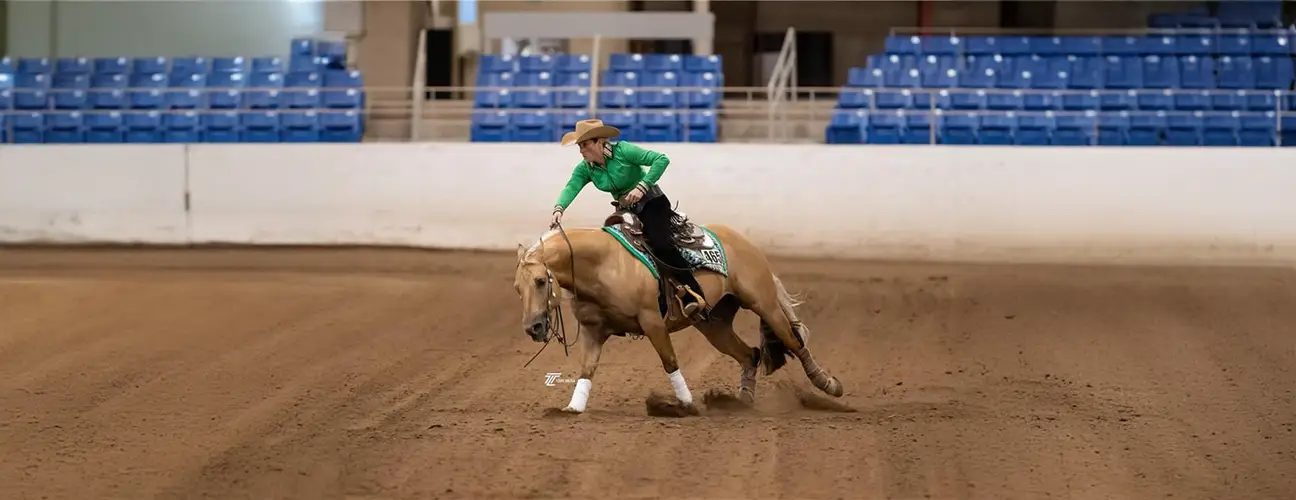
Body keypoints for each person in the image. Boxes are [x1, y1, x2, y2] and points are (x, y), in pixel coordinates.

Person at [549, 118, 709, 320]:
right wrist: (559, 209)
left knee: (661, 245)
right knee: (617, 250)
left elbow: (661, 159)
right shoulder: (586, 168)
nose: (581, 150)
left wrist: (642, 186)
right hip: (626, 211)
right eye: (580, 146)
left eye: (585, 144)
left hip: (652, 203)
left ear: (600, 142)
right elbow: (572, 186)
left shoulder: (624, 151)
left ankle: (693, 293)